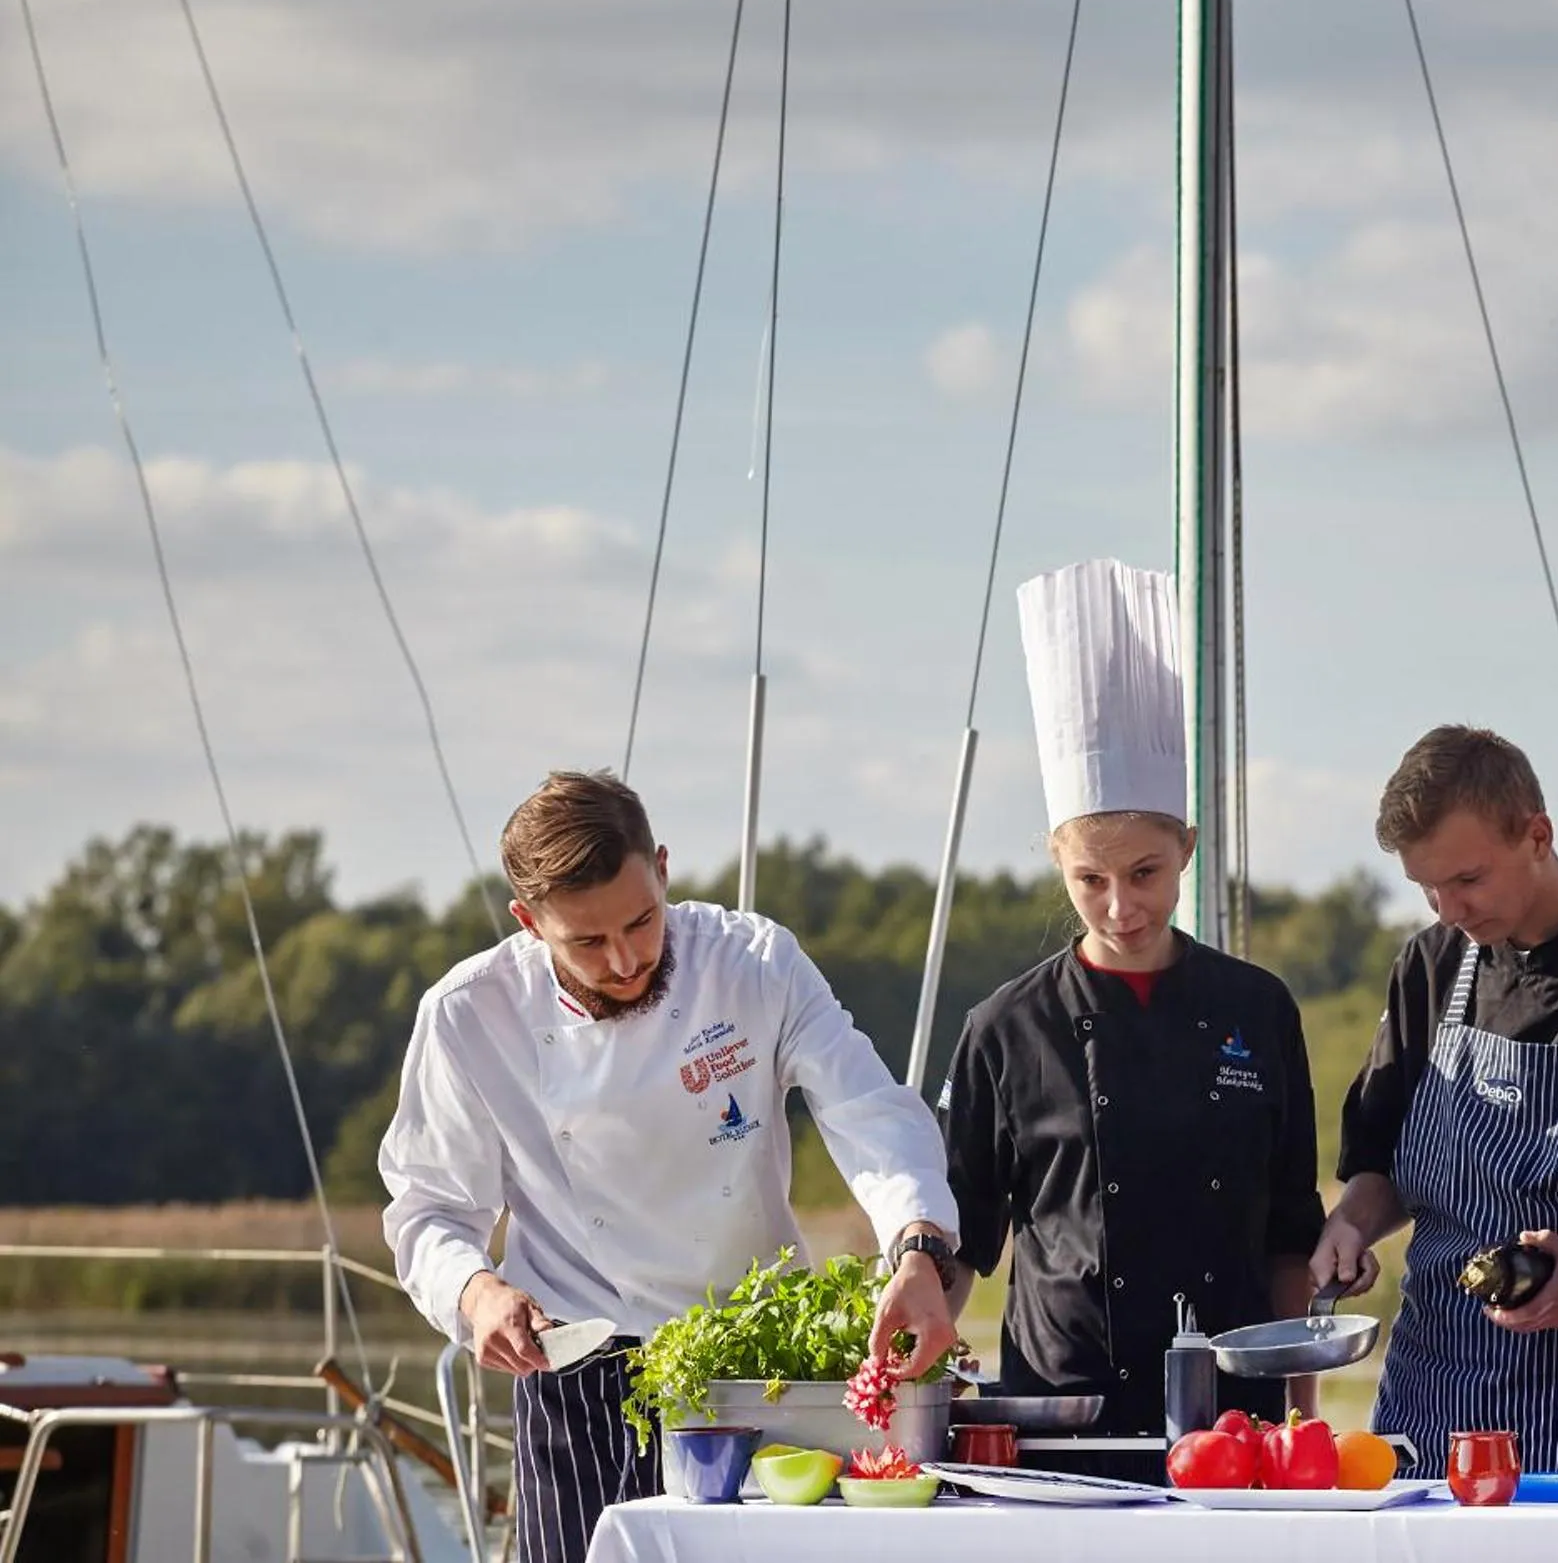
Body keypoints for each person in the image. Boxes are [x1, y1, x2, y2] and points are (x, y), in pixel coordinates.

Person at [378, 771, 961, 1563]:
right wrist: (475, 1292)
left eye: (641, 920)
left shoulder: (754, 962)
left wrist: (919, 1247)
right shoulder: (468, 1014)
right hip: (581, 1369)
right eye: (586, 941)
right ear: (527, 921)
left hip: (755, 1364)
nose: (624, 959)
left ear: (662, 866)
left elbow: (872, 1112)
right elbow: (429, 1209)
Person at [938, 559, 1328, 1440]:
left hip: (1237, 1419)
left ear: (1187, 845)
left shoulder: (1259, 1009)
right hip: (1061, 1407)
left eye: (1146, 872)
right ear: (1056, 861)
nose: (1121, 906)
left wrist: (1307, 1424)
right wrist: (920, 1368)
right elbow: (962, 1240)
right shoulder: (1005, 1028)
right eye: (1091, 878)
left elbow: (1288, 1237)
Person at [1308, 725, 1558, 1476]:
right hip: (1421, 1391)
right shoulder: (1430, 965)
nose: (1446, 908)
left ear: (1538, 834)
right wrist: (1350, 1225)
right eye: (1427, 887)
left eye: (1466, 879)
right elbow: (1379, 1163)